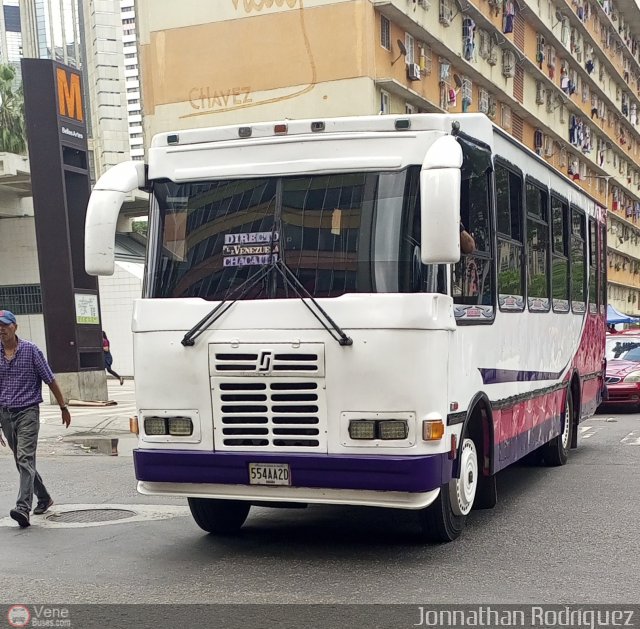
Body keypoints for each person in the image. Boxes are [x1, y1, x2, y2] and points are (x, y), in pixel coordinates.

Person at [0, 309, 71, 528]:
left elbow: (50, 379)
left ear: (15, 327)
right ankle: (44, 497)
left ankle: (23, 507)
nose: (1, 329)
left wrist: (63, 406)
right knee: (22, 461)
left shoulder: (31, 351)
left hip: (28, 412)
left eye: (5, 325)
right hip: (5, 414)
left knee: (24, 458)